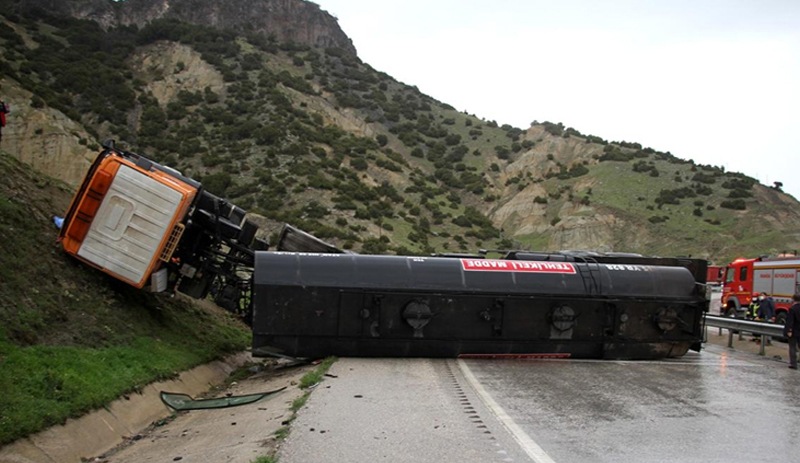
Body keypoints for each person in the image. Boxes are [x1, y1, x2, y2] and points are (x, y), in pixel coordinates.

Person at [783, 293, 800, 369]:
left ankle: (793, 364)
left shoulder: (792, 309)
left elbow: (790, 321)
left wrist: (789, 330)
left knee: (792, 347)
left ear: (793, 299)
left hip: (794, 331)